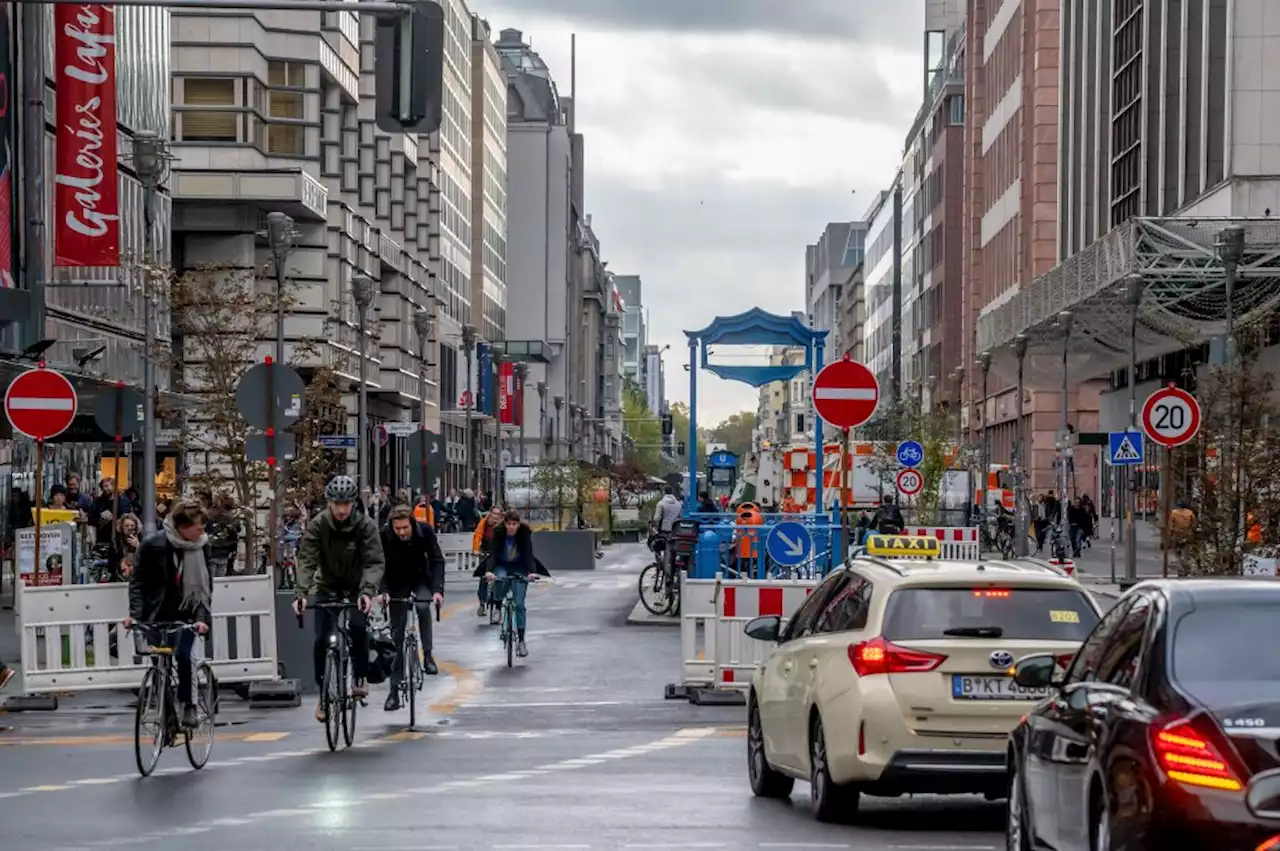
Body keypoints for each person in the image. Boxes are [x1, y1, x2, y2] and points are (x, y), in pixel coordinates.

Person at [292, 475, 386, 723]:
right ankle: (323, 693)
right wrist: (301, 593)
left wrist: (367, 592)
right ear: (329, 503)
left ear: (353, 503)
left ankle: (359, 676)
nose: (341, 509)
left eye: (346, 504)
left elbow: (373, 561)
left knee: (357, 628)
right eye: (337, 504)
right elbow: (307, 560)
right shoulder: (318, 525)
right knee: (322, 639)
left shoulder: (365, 526)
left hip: (357, 587)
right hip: (328, 585)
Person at [124, 500, 213, 729]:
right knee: (160, 665)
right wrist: (135, 615)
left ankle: (189, 704)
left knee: (183, 655)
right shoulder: (153, 544)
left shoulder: (202, 545)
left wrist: (202, 619)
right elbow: (138, 583)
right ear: (183, 527)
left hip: (187, 613)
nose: (202, 533)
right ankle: (168, 715)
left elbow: (204, 588)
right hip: (157, 613)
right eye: (198, 528)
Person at [381, 506, 446, 710]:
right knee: (396, 638)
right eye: (397, 528)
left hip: (420, 581)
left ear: (412, 523)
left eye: (405, 528)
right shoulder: (384, 535)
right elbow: (377, 565)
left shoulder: (424, 531)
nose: (401, 532)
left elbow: (436, 560)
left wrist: (437, 590)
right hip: (396, 585)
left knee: (423, 607)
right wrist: (382, 591)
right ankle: (393, 692)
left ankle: (427, 655)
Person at [474, 511, 549, 657]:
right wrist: (489, 571)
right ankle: (497, 608)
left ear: (518, 524)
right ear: (505, 524)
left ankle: (521, 641)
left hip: (520, 567)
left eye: (514, 524)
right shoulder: (498, 532)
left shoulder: (524, 533)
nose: (511, 527)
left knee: (520, 604)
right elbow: (493, 553)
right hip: (502, 565)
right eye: (509, 524)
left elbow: (528, 553)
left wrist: (531, 572)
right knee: (499, 579)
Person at [472, 505, 505, 617]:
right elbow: (478, 535)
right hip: (485, 552)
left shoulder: (503, 525)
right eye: (493, 514)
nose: (495, 517)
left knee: (499, 578)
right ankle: (482, 605)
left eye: (498, 514)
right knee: (483, 578)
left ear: (501, 516)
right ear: (490, 513)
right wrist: (476, 550)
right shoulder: (484, 523)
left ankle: (497, 606)